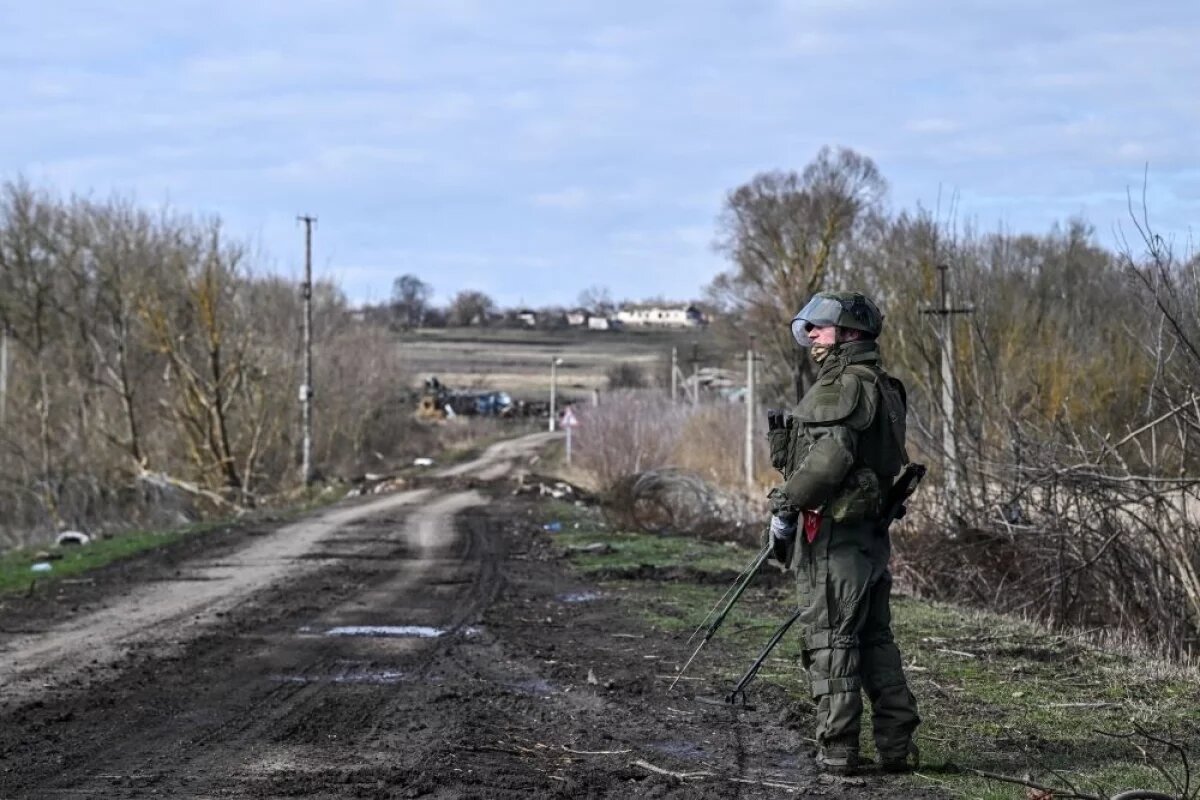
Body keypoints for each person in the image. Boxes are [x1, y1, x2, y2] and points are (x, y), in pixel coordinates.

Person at [764, 291, 920, 775]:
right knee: (875, 641)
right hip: (869, 536)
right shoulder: (882, 384)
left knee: (833, 641)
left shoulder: (843, 385)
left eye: (820, 326)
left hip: (835, 536)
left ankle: (838, 751)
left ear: (849, 333)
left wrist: (786, 505)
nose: (810, 335)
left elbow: (829, 459)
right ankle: (897, 749)